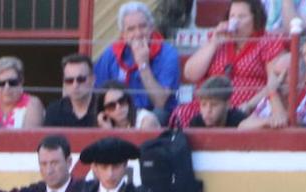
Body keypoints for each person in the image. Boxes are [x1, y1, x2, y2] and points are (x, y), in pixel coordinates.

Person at [171, 0, 289, 128]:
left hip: (247, 107)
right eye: (232, 16)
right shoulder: (218, 40)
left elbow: (274, 83)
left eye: (241, 17)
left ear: (256, 19)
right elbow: (190, 74)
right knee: (183, 113)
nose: (235, 21)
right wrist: (214, 43)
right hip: (211, 107)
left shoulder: (268, 42)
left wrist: (249, 104)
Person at [93, 2, 180, 119]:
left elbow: (160, 102)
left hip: (154, 114)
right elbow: (98, 93)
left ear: (151, 28)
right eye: (131, 29)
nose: (138, 34)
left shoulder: (168, 53)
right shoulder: (111, 54)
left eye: (143, 26)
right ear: (123, 34)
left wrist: (143, 65)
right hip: (119, 112)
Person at [69, 137, 160, 192]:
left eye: (116, 167)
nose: (110, 174)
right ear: (94, 168)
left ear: (125, 165)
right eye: (104, 168)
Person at [0, 56, 44, 129]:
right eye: (0, 83)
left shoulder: (33, 104)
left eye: (12, 82)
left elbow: (29, 138)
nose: (7, 88)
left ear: (21, 82)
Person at [44, 53, 99, 127]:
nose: (75, 85)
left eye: (81, 79)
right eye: (69, 80)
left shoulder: (105, 108)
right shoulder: (54, 111)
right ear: (63, 82)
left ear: (92, 80)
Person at [96, 80, 161, 130]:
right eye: (111, 106)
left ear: (128, 100)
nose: (118, 107)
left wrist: (110, 133)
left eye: (122, 101)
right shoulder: (104, 125)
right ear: (104, 111)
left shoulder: (146, 121)